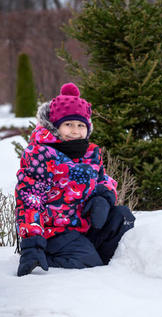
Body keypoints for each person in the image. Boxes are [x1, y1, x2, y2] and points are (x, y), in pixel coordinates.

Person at [15, 83, 135, 276]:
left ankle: (105, 263)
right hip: (54, 232)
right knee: (88, 261)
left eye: (81, 125)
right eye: (68, 124)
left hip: (82, 226)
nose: (75, 130)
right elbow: (30, 200)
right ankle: (48, 257)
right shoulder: (40, 155)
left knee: (122, 216)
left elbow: (104, 179)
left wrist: (102, 198)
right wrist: (32, 244)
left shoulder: (90, 152)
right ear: (55, 127)